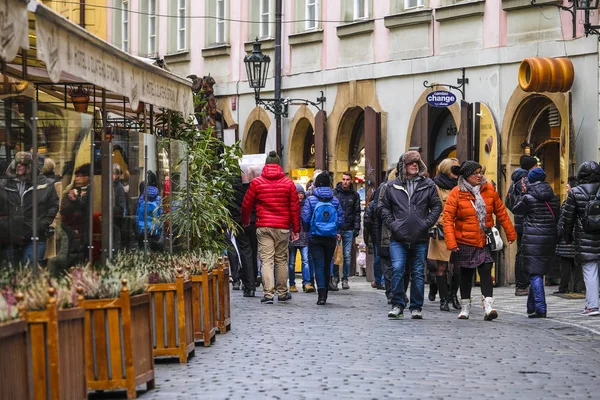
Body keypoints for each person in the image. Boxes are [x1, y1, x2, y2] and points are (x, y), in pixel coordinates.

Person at [443, 161, 517, 321]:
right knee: (466, 275)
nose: (479, 175)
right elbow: (448, 219)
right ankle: (465, 308)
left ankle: (488, 307)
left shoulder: (488, 189)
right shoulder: (457, 192)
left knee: (485, 271)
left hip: (484, 239)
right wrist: (451, 242)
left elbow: (501, 212)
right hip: (464, 240)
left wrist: (510, 233)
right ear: (466, 177)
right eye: (475, 173)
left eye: (480, 172)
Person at [380, 151, 442, 320]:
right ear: (403, 166)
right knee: (398, 269)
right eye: (410, 163)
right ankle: (398, 304)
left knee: (417, 272)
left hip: (419, 237)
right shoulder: (392, 186)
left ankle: (416, 307)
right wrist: (393, 224)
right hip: (398, 237)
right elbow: (384, 208)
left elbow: (437, 206)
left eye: (417, 162)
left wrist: (426, 223)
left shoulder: (427, 184)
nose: (414, 165)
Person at [241, 151, 301, 304]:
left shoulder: (257, 182)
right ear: (279, 165)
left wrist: (246, 220)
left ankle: (268, 294)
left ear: (266, 165)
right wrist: (296, 229)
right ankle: (282, 292)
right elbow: (295, 208)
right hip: (282, 227)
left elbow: (247, 204)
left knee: (266, 260)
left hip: (264, 226)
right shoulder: (288, 183)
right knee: (281, 260)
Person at [512, 167, 559, 318]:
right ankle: (531, 306)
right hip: (549, 238)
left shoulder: (528, 197)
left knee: (534, 273)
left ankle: (540, 308)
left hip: (533, 238)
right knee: (538, 271)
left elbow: (516, 210)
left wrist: (522, 193)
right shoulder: (553, 197)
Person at [0, 152, 59, 266]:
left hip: (36, 237)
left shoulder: (46, 185)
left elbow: (53, 206)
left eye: (23, 164)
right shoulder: (4, 185)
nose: (18, 166)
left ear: (31, 167)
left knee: (31, 272)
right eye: (17, 163)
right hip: (11, 238)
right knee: (13, 274)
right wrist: (6, 226)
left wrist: (41, 225)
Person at [561, 161, 600, 316]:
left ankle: (592, 306)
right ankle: (591, 305)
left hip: (585, 238)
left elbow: (567, 219)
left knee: (590, 271)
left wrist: (567, 236)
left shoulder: (575, 192)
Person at [302, 172, 344, 305]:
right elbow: (341, 219)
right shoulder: (335, 200)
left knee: (318, 264)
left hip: (315, 236)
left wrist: (308, 230)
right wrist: (335, 229)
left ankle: (321, 295)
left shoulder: (310, 199)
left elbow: (305, 218)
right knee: (327, 264)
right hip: (330, 237)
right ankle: (325, 292)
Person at [427, 157, 461, 312]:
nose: (457, 172)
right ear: (447, 170)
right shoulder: (435, 186)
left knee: (459, 265)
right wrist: (434, 225)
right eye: (454, 169)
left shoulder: (462, 185)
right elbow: (433, 208)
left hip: (459, 229)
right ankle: (443, 298)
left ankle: (454, 294)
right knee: (442, 266)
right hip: (441, 229)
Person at [506, 154, 538, 296]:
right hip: (527, 222)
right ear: (532, 167)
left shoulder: (516, 181)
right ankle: (523, 284)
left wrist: (517, 213)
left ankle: (521, 284)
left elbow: (509, 202)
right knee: (525, 254)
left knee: (521, 253)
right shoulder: (527, 181)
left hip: (519, 222)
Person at [555, 176, 584, 294]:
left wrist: (558, 235)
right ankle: (578, 288)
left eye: (567, 186)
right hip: (579, 237)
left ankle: (563, 287)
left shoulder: (568, 202)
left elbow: (563, 221)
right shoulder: (584, 200)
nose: (566, 188)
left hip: (567, 238)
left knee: (566, 264)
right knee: (577, 265)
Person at [333, 171, 361, 290]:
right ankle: (335, 278)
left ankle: (345, 278)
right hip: (337, 229)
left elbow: (357, 212)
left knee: (347, 255)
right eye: (343, 179)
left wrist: (356, 227)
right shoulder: (335, 193)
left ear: (351, 181)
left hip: (349, 228)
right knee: (336, 255)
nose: (345, 182)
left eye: (347, 180)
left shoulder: (354, 195)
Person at [61, 163, 92, 267]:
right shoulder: (72, 189)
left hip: (81, 229)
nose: (78, 178)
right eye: (77, 176)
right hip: (74, 229)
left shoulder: (90, 190)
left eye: (81, 176)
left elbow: (84, 207)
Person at [289, 184, 314, 293]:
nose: (300, 196)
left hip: (304, 237)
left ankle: (307, 283)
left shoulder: (307, 205)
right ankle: (292, 283)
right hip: (293, 237)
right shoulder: (290, 205)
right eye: (298, 193)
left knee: (305, 261)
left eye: (301, 193)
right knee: (291, 262)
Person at [136, 176, 163, 252]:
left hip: (142, 228)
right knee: (155, 251)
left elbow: (137, 215)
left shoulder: (141, 198)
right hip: (155, 229)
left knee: (142, 250)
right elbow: (161, 215)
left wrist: (137, 227)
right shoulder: (158, 199)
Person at [112, 164, 127, 252]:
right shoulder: (112, 186)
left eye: (113, 174)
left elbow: (121, 207)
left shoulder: (119, 187)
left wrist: (110, 210)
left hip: (117, 219)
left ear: (117, 175)